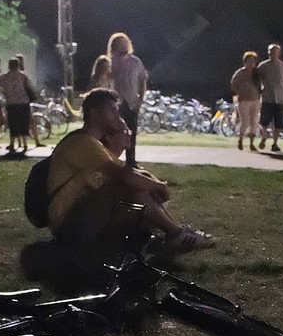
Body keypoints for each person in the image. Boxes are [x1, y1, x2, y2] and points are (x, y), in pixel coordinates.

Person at [46, 88, 214, 252]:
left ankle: (177, 232)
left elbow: (131, 173)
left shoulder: (94, 144)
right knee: (131, 189)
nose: (117, 116)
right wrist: (159, 186)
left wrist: (152, 184)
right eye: (112, 110)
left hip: (80, 219)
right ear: (94, 113)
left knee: (138, 190)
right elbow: (126, 176)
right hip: (69, 225)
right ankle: (176, 235)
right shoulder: (83, 143)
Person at [107, 33, 149, 144]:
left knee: (131, 134)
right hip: (115, 103)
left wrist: (140, 99)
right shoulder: (110, 63)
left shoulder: (136, 62)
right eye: (119, 44)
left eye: (124, 44)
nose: (122, 47)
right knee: (115, 133)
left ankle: (131, 155)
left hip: (132, 103)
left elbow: (142, 80)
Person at [255, 43, 283, 154]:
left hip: (280, 99)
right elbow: (256, 80)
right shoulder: (263, 66)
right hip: (267, 98)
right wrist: (258, 90)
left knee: (279, 123)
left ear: (279, 53)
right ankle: (264, 137)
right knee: (263, 122)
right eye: (271, 51)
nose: (273, 54)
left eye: (275, 52)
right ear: (268, 53)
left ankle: (275, 143)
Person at [0, 55, 35, 157]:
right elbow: (30, 86)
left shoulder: (5, 77)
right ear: (18, 65)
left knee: (13, 123)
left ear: (9, 65)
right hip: (23, 102)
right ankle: (25, 144)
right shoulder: (23, 76)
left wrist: (5, 92)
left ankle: (12, 144)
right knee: (24, 123)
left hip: (12, 103)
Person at [230, 51, 261, 150]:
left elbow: (261, 84)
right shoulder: (240, 73)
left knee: (254, 121)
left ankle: (252, 143)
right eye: (249, 60)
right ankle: (241, 140)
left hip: (255, 99)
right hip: (244, 100)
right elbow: (233, 84)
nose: (252, 63)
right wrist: (241, 92)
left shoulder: (257, 73)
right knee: (245, 121)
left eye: (253, 60)